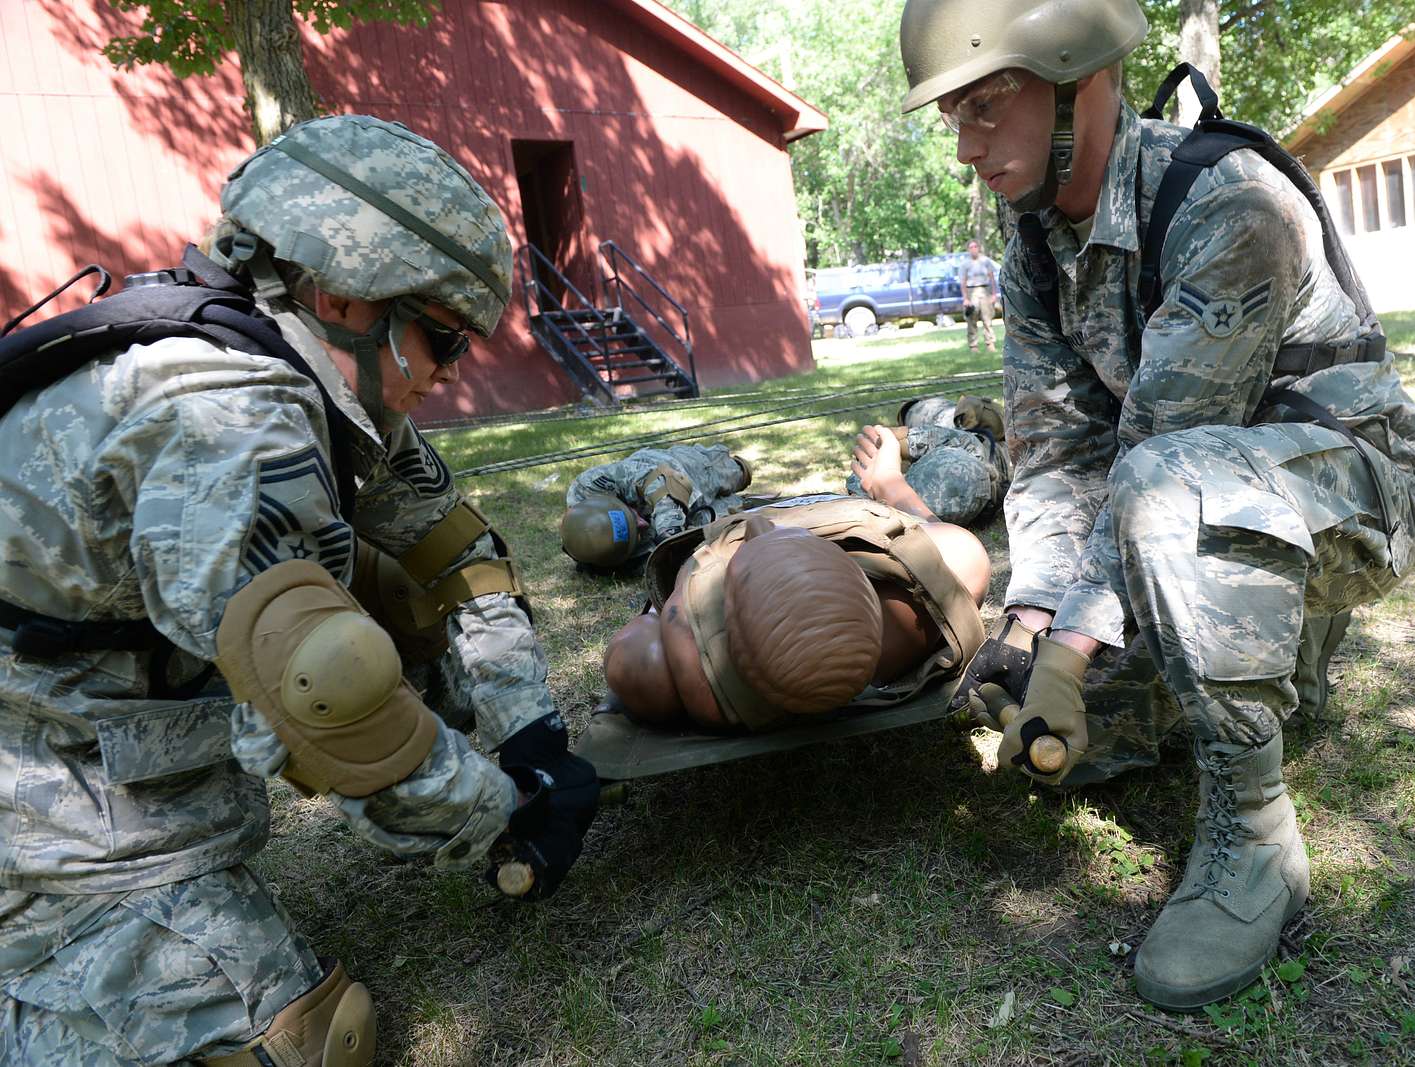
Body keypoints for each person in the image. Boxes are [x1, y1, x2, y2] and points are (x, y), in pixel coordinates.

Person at [0, 115, 599, 1065]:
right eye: (441, 340)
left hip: (79, 705)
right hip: (36, 774)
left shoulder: (291, 365)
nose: (447, 375)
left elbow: (459, 558)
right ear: (340, 293)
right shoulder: (230, 423)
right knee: (307, 1044)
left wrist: (530, 730)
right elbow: (326, 705)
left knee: (388, 586)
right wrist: (499, 803)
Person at [899, 0, 1415, 1010]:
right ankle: (1279, 660)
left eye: (987, 107)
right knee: (1059, 748)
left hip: (1354, 495)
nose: (965, 148)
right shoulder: (1033, 244)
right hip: (1198, 504)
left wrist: (1070, 648)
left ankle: (1256, 839)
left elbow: (1155, 455)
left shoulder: (1225, 203)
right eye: (953, 119)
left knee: (1164, 489)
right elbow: (1056, 456)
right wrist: (1031, 622)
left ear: (1081, 80)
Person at [603, 428, 991, 734]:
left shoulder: (695, 676)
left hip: (715, 596)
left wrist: (683, 589)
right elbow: (939, 545)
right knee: (963, 555)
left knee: (640, 661)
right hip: (851, 523)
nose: (760, 528)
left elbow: (650, 636)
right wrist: (890, 484)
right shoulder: (910, 615)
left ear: (726, 621)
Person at [560, 444, 752, 571]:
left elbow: (658, 481)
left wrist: (669, 535)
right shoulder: (604, 553)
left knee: (739, 472)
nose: (642, 523)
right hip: (691, 517)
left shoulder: (588, 487)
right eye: (637, 532)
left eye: (633, 516)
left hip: (687, 469)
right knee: (741, 514)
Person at [846, 394, 1011, 526]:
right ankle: (904, 439)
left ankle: (904, 437)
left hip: (972, 474)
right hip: (977, 480)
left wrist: (903, 440)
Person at [957, 239, 1000, 351]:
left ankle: (990, 343)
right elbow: (963, 282)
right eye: (971, 247)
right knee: (972, 319)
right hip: (971, 291)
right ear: (968, 249)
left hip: (985, 290)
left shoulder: (986, 261)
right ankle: (973, 345)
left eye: (975, 246)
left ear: (979, 248)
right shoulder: (965, 264)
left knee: (987, 318)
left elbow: (991, 279)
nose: (974, 249)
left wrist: (994, 294)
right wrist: (965, 299)